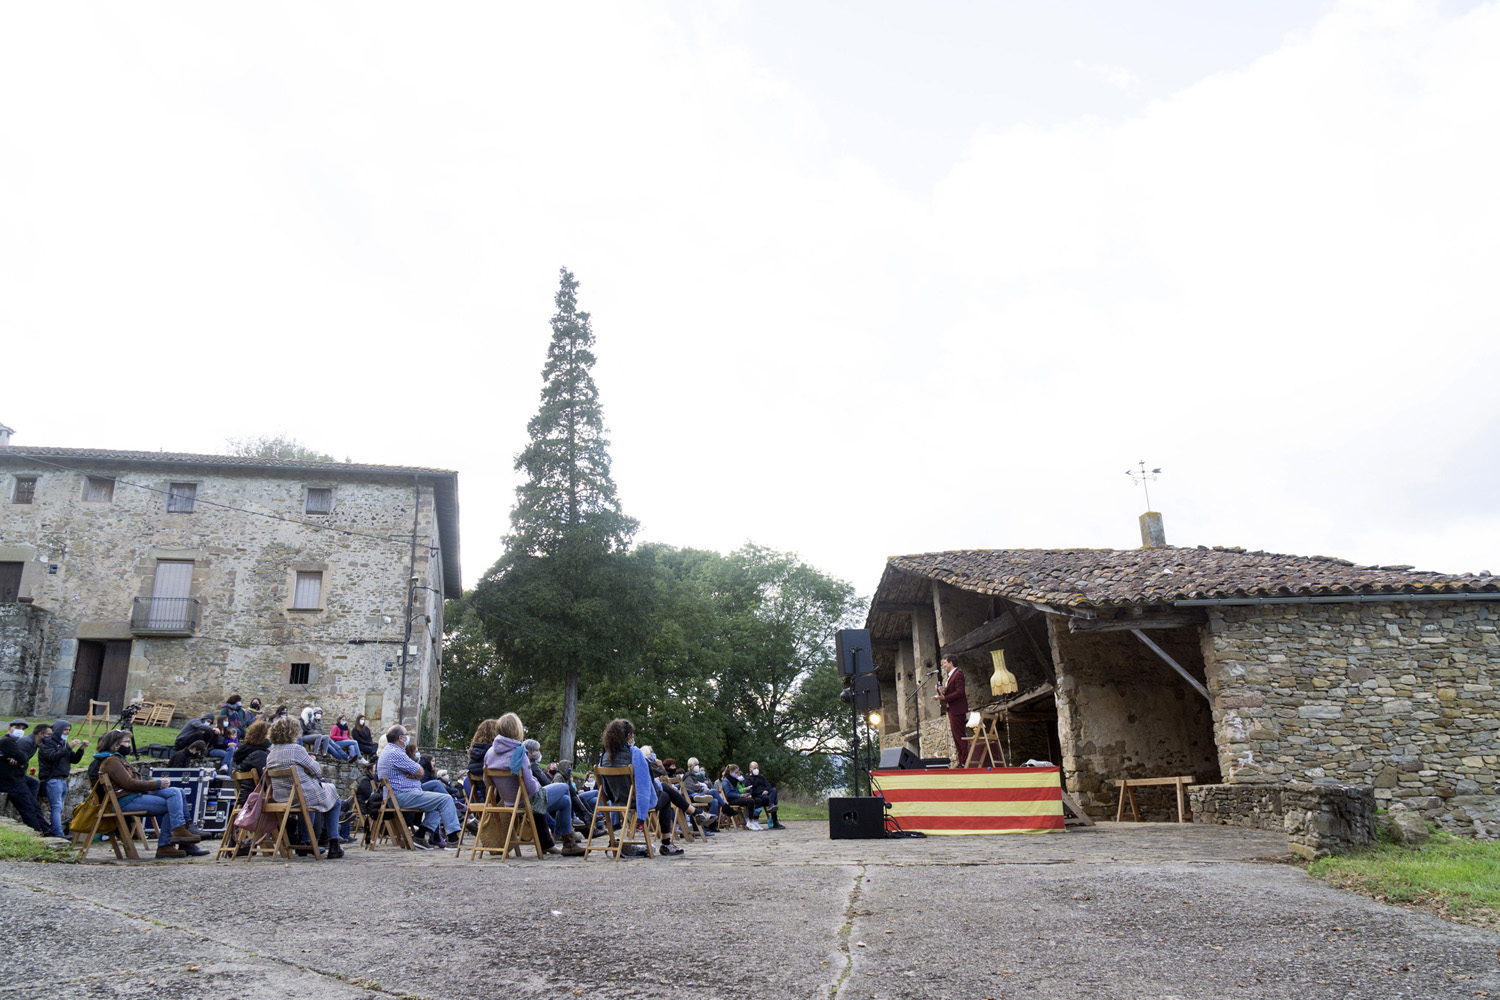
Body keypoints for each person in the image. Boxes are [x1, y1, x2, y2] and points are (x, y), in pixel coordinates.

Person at [87, 729, 206, 858]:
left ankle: (183, 828)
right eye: (126, 742)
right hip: (126, 800)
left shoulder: (118, 759)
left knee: (177, 791)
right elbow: (129, 784)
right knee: (171, 805)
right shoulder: (111, 761)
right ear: (116, 745)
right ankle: (170, 840)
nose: (129, 745)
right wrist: (157, 784)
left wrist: (155, 785)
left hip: (133, 795)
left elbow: (132, 783)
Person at [484, 716, 583, 856]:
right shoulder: (519, 752)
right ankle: (568, 840)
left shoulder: (490, 753)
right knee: (564, 787)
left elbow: (488, 781)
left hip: (508, 802)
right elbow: (531, 787)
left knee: (566, 801)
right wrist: (537, 784)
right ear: (517, 730)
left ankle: (565, 842)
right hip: (527, 800)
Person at [598, 719, 682, 856]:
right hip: (634, 801)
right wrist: (642, 816)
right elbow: (643, 786)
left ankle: (694, 812)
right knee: (666, 796)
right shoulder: (634, 754)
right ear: (627, 736)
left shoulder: (604, 756)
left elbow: (605, 786)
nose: (632, 738)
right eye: (631, 735)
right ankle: (667, 844)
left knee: (664, 788)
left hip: (617, 800)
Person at [265, 716, 344, 858]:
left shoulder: (271, 752)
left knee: (307, 797)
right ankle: (334, 843)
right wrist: (312, 760)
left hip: (282, 797)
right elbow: (316, 770)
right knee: (334, 797)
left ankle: (305, 842)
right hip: (300, 795)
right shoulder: (297, 750)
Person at [377, 725, 460, 849]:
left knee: (437, 802)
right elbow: (420, 772)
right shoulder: (396, 753)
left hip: (398, 795)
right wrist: (413, 774)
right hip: (402, 796)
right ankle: (453, 839)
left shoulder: (388, 751)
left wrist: (412, 774)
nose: (408, 737)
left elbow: (417, 772)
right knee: (445, 799)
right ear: (401, 738)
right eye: (406, 734)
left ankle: (420, 836)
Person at [36, 720, 87, 838]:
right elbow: (53, 757)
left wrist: (81, 749)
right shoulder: (47, 743)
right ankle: (58, 833)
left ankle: (55, 830)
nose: (67, 732)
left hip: (62, 779)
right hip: (52, 779)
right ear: (58, 730)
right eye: (65, 730)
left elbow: (73, 759)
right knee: (56, 807)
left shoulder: (63, 743)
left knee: (60, 807)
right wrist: (69, 747)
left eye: (68, 730)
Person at [0, 720, 47, 835]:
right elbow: (23, 759)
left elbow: (22, 760)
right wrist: (19, 762)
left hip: (15, 779)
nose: (20, 731)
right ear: (9, 728)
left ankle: (45, 830)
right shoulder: (7, 742)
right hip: (11, 781)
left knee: (32, 803)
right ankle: (37, 832)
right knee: (27, 808)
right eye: (17, 727)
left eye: (23, 729)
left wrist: (18, 761)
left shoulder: (13, 742)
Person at [935, 654, 969, 766]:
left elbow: (960, 692)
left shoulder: (958, 674)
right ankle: (961, 761)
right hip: (952, 709)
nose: (944, 665)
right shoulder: (951, 676)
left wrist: (946, 698)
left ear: (951, 663)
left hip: (957, 709)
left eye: (945, 662)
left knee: (960, 736)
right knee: (956, 737)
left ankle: (964, 762)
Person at [721, 764, 769, 830]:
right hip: (731, 800)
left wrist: (746, 794)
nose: (737, 774)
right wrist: (740, 795)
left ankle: (755, 820)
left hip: (737, 797)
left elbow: (738, 791)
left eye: (738, 772)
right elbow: (728, 794)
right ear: (731, 772)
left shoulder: (734, 780)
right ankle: (749, 821)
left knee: (758, 800)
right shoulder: (726, 781)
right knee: (750, 801)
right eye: (736, 772)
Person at [745, 761, 785, 829]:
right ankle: (775, 821)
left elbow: (769, 785)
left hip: (766, 794)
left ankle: (771, 805)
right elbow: (750, 791)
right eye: (754, 768)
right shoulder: (748, 779)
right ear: (750, 769)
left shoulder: (761, 777)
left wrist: (766, 790)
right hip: (758, 797)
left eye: (757, 768)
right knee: (774, 801)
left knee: (774, 790)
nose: (756, 769)